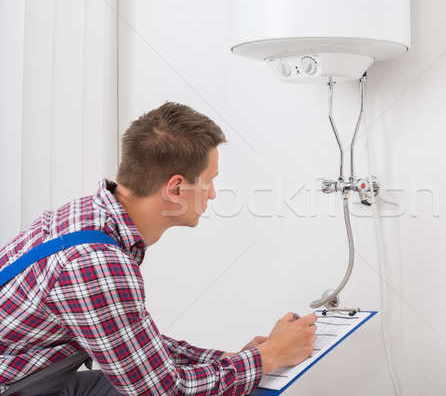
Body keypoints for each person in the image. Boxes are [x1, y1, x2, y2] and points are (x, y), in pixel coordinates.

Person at [0, 102, 317, 395]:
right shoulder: (95, 261)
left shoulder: (90, 216)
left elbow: (129, 338)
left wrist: (234, 359)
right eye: (208, 181)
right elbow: (164, 392)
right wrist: (267, 357)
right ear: (177, 188)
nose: (213, 194)